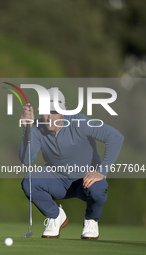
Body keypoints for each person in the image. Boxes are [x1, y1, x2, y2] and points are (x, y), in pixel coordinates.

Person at [19, 87, 124, 239]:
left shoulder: (79, 122)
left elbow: (115, 137)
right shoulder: (36, 127)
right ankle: (55, 216)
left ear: (64, 111)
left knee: (98, 188)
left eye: (55, 112)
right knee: (29, 181)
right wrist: (27, 130)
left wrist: (102, 171)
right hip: (57, 180)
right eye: (46, 112)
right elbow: (25, 160)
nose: (49, 117)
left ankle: (91, 220)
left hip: (85, 180)